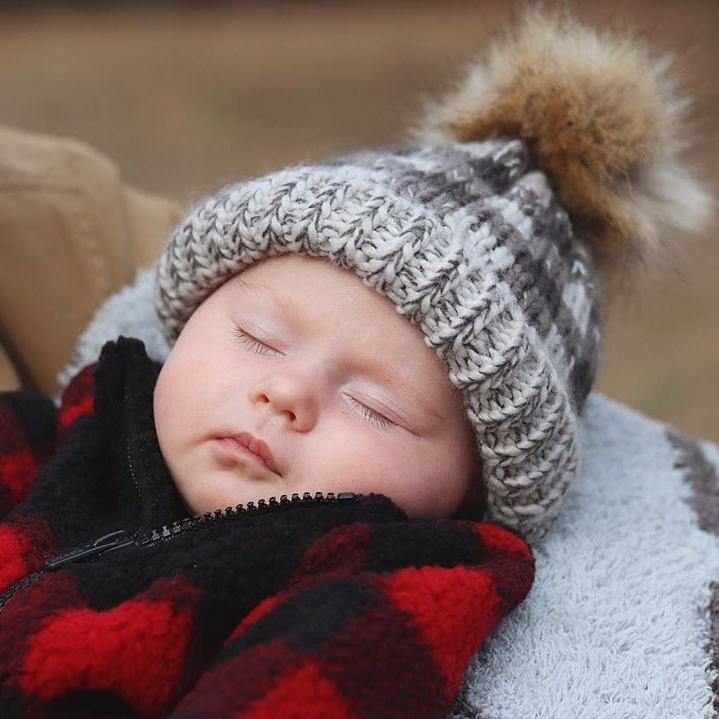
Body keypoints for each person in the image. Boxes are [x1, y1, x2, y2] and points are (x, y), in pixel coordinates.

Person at [0, 6, 711, 718]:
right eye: (257, 337)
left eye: (377, 406)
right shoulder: (86, 420)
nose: (284, 391)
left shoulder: (383, 579)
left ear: (469, 493)